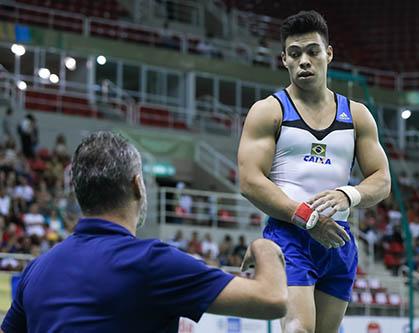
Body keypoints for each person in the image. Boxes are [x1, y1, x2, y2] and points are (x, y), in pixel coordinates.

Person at [1, 131, 287, 333]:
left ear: (78, 194)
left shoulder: (37, 270)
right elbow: (272, 299)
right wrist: (266, 245)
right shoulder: (152, 262)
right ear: (138, 185)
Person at [238, 10, 390, 333]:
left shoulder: (358, 116)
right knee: (299, 330)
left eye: (312, 51)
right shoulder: (269, 111)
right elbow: (250, 181)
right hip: (290, 235)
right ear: (284, 60)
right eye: (294, 54)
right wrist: (307, 217)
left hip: (338, 240)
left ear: (328, 54)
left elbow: (382, 179)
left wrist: (349, 194)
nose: (304, 61)